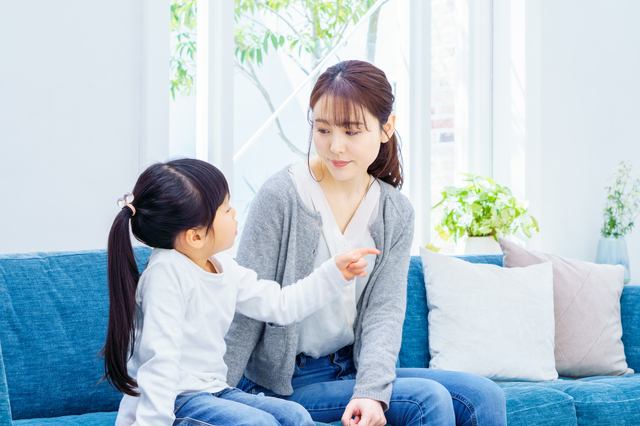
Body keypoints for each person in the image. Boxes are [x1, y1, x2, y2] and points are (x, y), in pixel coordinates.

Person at [224, 61, 507, 426]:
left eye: (351, 131)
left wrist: (371, 390)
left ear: (386, 127)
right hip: (287, 383)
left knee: (484, 396)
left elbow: (384, 313)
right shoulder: (281, 196)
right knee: (427, 399)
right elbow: (246, 308)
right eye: (323, 129)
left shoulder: (394, 211)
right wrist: (214, 397)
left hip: (352, 368)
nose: (335, 146)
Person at [101, 158, 379, 426]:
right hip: (175, 401)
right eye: (225, 208)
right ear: (195, 236)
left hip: (214, 391)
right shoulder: (166, 274)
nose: (234, 213)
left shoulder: (222, 267)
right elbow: (159, 363)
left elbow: (281, 305)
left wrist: (333, 274)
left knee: (295, 417)